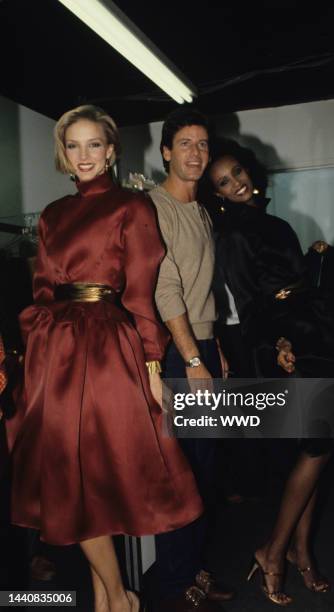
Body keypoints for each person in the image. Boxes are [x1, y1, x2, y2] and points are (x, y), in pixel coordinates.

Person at [5, 105, 203, 612]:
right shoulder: (51, 214)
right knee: (72, 476)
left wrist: (154, 366)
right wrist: (39, 348)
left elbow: (141, 292)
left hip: (110, 347)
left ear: (112, 151)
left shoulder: (133, 208)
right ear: (63, 155)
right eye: (74, 146)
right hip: (56, 350)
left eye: (94, 144)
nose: (84, 155)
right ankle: (111, 599)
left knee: (98, 474)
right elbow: (44, 287)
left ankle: (117, 597)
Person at [206, 141, 334, 606]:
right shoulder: (234, 232)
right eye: (224, 183)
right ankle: (273, 551)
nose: (237, 184)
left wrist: (316, 261)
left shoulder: (274, 222)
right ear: (218, 195)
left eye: (237, 173)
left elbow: (289, 284)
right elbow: (252, 301)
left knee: (317, 448)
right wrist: (281, 343)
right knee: (315, 447)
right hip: (280, 343)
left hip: (308, 334)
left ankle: (298, 550)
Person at [149, 108, 233, 612]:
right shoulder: (154, 208)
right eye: (185, 143)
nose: (196, 153)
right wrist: (193, 358)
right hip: (180, 356)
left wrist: (213, 344)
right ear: (165, 152)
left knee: (205, 469)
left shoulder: (201, 210)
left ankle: (192, 568)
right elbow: (166, 288)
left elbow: (204, 288)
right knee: (182, 474)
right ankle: (177, 585)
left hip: (202, 347)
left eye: (202, 144)